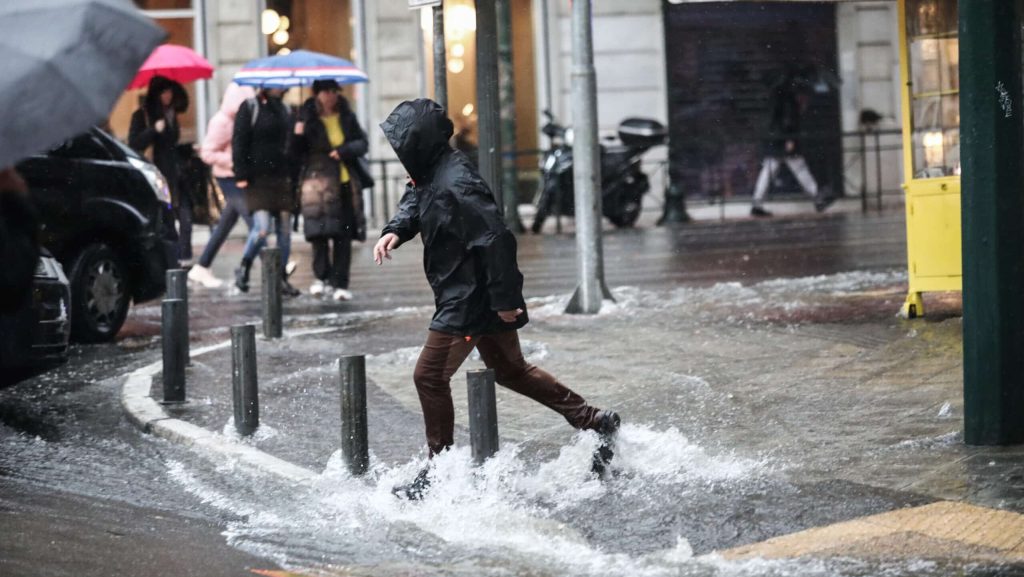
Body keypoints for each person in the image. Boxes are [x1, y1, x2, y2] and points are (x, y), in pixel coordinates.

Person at [373, 99, 621, 499]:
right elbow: (416, 199)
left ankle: (439, 473)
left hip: (469, 298)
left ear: (420, 143)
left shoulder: (458, 181)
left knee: (429, 377)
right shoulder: (432, 172)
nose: (399, 155)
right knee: (511, 370)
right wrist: (396, 231)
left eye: (402, 145)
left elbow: (496, 240)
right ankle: (594, 420)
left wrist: (506, 300)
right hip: (469, 291)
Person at [290, 80, 368, 301]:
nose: (331, 95)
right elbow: (294, 153)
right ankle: (321, 278)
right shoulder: (305, 118)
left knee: (343, 235)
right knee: (320, 233)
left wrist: (344, 151)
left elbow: (362, 143)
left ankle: (340, 282)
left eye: (334, 91)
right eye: (326, 91)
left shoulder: (346, 115)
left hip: (344, 181)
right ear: (316, 94)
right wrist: (298, 130)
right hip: (317, 184)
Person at [188, 83, 257, 289]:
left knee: (226, 223)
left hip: (237, 175)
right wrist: (233, 161)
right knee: (254, 221)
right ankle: (276, 268)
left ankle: (202, 265)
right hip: (227, 177)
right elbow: (207, 152)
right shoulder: (221, 122)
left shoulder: (241, 120)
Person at [232, 86, 299, 296]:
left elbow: (291, 146)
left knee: (285, 232)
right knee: (262, 228)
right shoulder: (250, 107)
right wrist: (241, 174)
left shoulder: (286, 110)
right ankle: (244, 266)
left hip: (281, 177)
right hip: (257, 178)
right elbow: (239, 141)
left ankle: (281, 278)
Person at [749, 71, 833, 218]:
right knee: (799, 169)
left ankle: (757, 204)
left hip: (774, 139)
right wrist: (789, 139)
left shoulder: (774, 95)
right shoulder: (787, 97)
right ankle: (818, 198)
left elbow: (774, 120)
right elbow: (788, 120)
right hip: (783, 139)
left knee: (768, 172)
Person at [129, 76, 192, 261]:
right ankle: (172, 264)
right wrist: (153, 130)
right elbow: (134, 143)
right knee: (167, 222)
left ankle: (183, 260)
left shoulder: (171, 114)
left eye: (170, 91)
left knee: (186, 219)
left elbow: (171, 145)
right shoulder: (142, 115)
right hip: (157, 175)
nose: (168, 96)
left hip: (176, 174)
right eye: (164, 92)